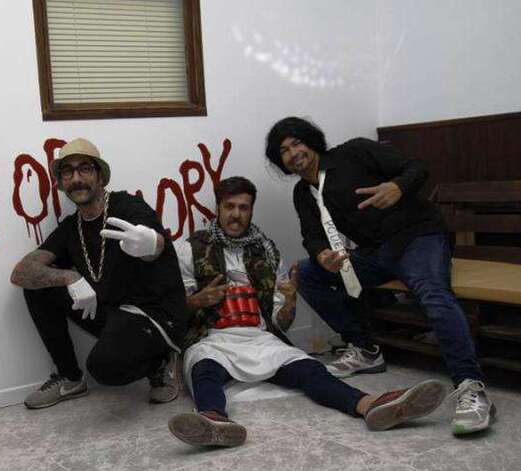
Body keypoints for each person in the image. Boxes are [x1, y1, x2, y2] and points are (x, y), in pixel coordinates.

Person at [167, 177, 448, 448]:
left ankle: (370, 405)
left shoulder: (266, 251)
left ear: (251, 210)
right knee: (204, 369)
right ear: (218, 208)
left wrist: (290, 302)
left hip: (259, 338)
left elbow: (280, 321)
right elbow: (173, 312)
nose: (236, 214)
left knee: (310, 369)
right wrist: (197, 301)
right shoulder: (190, 250)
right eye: (229, 206)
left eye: (244, 207)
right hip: (213, 339)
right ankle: (214, 420)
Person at [265, 116, 495, 435]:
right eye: (284, 150)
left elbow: (417, 167)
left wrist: (398, 187)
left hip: (418, 237)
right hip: (375, 253)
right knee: (306, 272)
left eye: (297, 143)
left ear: (311, 141)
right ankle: (365, 349)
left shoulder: (354, 152)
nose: (293, 153)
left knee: (432, 292)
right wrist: (322, 255)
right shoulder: (304, 193)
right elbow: (312, 235)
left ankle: (471, 386)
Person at [10, 138, 187, 409]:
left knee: (103, 368)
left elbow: (155, 246)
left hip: (152, 316)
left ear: (100, 177)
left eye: (84, 169)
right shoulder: (71, 228)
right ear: (61, 183)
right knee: (39, 287)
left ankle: (160, 362)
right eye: (67, 172)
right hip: (112, 312)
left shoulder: (128, 206)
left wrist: (151, 244)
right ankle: (70, 378)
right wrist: (70, 277)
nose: (76, 178)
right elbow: (21, 272)